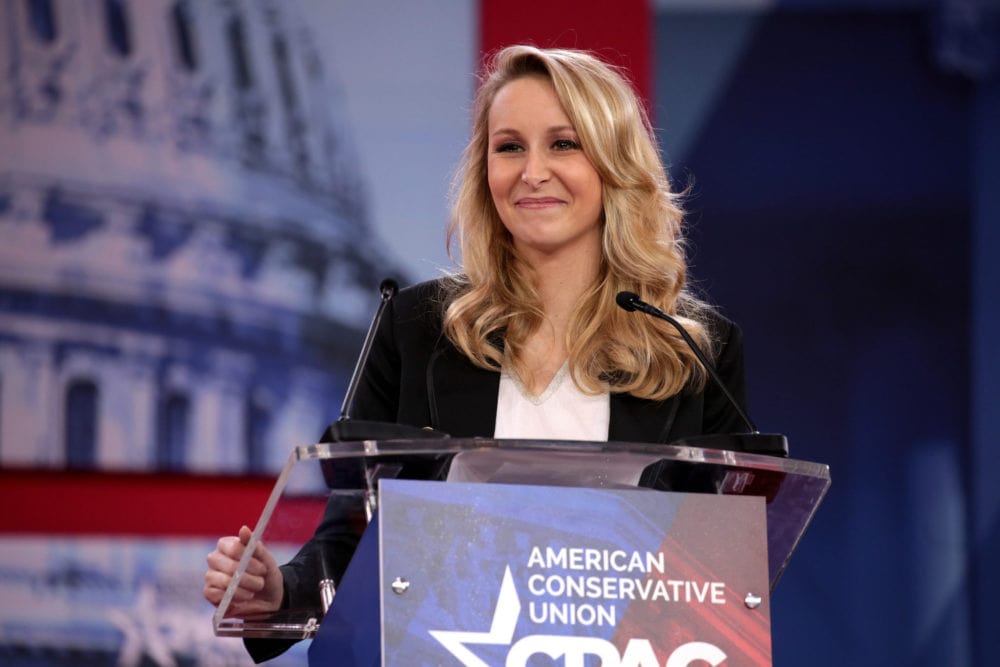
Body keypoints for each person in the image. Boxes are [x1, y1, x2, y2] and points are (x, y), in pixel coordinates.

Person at [203, 44, 750, 661]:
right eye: (509, 146)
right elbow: (353, 534)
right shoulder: (415, 329)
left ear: (614, 164)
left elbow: (723, 570)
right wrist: (281, 593)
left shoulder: (691, 351)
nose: (532, 171)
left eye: (563, 144)